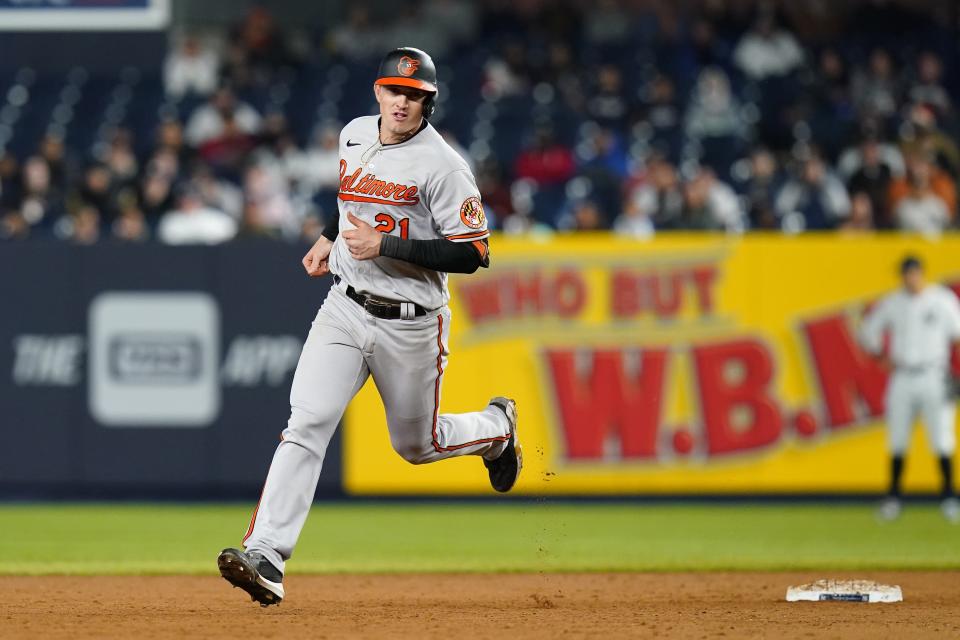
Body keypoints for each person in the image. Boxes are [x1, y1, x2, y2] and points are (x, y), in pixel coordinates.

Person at [217, 48, 522, 607]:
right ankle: (265, 555)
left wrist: (387, 246)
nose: (402, 101)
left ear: (427, 100)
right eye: (393, 90)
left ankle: (497, 429)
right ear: (378, 92)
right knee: (306, 422)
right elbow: (355, 200)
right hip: (345, 306)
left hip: (411, 323)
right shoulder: (355, 134)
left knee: (417, 445)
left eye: (414, 94)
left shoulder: (444, 165)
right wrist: (333, 239)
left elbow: (475, 253)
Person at [859, 256, 960, 523]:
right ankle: (893, 498)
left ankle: (949, 497)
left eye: (914, 273)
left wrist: (955, 372)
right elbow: (868, 332)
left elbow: (958, 334)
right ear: (902, 276)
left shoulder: (941, 299)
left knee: (942, 438)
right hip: (902, 375)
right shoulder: (893, 302)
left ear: (922, 274)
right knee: (897, 439)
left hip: (934, 373)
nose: (910, 278)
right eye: (906, 273)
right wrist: (881, 356)